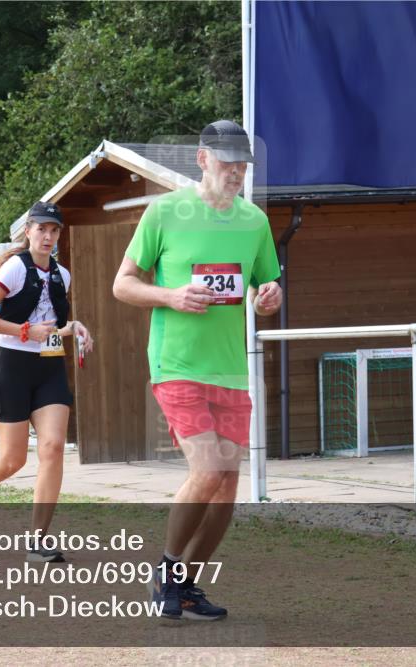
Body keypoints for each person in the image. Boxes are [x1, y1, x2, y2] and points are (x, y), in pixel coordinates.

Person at [113, 120, 282, 621]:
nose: (236, 172)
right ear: (202, 159)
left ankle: (185, 584)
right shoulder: (164, 212)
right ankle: (166, 570)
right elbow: (123, 284)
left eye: (242, 164)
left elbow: (265, 291)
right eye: (227, 162)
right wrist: (171, 295)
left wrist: (268, 297)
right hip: (177, 365)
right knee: (207, 468)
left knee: (227, 485)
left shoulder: (254, 221)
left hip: (230, 370)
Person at [0, 201, 94, 562]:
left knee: (52, 448)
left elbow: (48, 326)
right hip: (10, 368)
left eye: (54, 231)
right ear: (29, 232)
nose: (48, 236)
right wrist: (24, 331)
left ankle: (38, 540)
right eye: (42, 229)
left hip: (49, 367)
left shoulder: (61, 275)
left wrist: (74, 328)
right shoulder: (14, 268)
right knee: (13, 460)